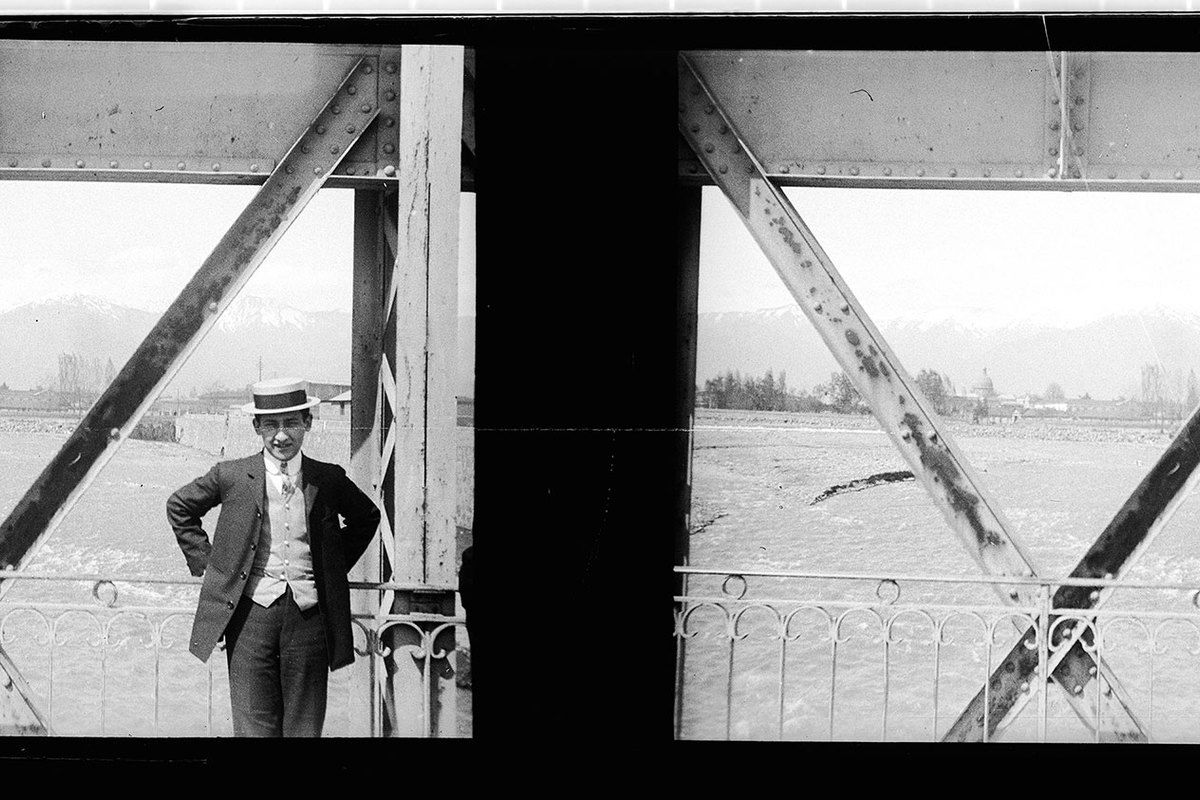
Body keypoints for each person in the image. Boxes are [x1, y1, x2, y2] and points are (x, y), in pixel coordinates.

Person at [166, 377, 380, 737]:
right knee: (252, 728)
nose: (282, 436)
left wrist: (331, 567)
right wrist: (210, 565)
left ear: (307, 423)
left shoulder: (327, 479)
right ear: (257, 427)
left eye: (291, 423)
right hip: (249, 619)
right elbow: (179, 507)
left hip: (310, 622)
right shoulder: (231, 475)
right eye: (271, 425)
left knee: (305, 728)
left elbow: (366, 517)